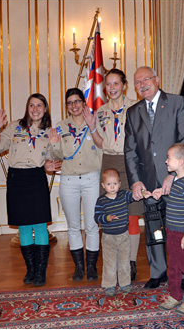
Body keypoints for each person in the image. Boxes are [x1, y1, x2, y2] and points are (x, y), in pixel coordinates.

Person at [124, 66, 184, 289]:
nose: (142, 84)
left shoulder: (177, 103)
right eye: (137, 82)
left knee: (176, 229)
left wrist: (173, 175)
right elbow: (130, 151)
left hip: (176, 181)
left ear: (157, 79)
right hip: (148, 182)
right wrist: (135, 180)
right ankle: (159, 272)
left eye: (146, 79)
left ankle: (182, 274)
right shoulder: (133, 112)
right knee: (154, 227)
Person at [0, 93, 55, 287]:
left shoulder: (50, 132)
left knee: (40, 225)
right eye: (32, 105)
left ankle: (41, 271)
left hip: (36, 177)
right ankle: (31, 269)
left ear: (45, 109)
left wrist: (49, 164)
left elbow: (51, 158)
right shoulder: (13, 127)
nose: (35, 109)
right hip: (17, 178)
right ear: (27, 108)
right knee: (24, 226)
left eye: (39, 106)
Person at [86, 69, 142, 282]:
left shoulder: (136, 108)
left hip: (130, 162)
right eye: (108, 84)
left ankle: (131, 261)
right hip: (109, 161)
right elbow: (102, 143)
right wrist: (92, 128)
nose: (112, 88)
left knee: (132, 215)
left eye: (116, 83)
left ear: (124, 85)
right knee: (111, 213)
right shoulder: (100, 111)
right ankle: (115, 261)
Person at [49, 88, 102, 282]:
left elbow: (103, 147)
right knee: (73, 226)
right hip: (69, 179)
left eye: (77, 101)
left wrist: (93, 126)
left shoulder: (93, 121)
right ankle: (79, 267)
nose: (74, 106)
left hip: (91, 178)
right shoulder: (61, 126)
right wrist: (54, 144)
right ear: (67, 106)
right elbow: (56, 157)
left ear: (83, 102)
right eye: (70, 103)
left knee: (92, 226)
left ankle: (92, 266)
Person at [154, 143, 184, 315]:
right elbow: (176, 198)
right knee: (173, 266)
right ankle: (175, 295)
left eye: (169, 158)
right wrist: (161, 192)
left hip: (183, 233)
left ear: (181, 162)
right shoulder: (177, 180)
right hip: (172, 232)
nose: (166, 161)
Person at [94, 168, 151, 296]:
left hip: (124, 235)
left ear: (119, 184)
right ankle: (109, 285)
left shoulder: (124, 195)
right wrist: (107, 218)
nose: (112, 187)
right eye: (109, 184)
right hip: (108, 237)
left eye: (115, 183)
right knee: (109, 262)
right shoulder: (101, 201)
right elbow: (97, 217)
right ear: (103, 185)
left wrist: (143, 193)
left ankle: (125, 283)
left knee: (124, 261)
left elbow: (134, 196)